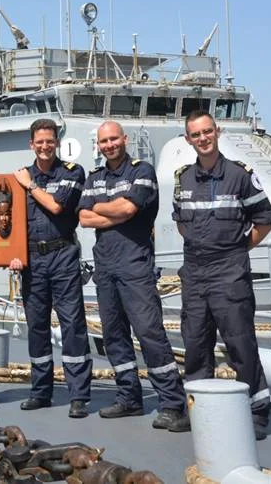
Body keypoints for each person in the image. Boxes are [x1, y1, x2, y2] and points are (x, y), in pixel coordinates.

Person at [173, 110, 271, 440]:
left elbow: (265, 220)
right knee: (195, 344)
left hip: (229, 271)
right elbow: (180, 222)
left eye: (207, 131)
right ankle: (198, 410)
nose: (203, 138)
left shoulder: (239, 175)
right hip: (195, 271)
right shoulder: (184, 179)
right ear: (188, 139)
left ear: (217, 132)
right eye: (196, 134)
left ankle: (256, 413)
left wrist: (237, 249)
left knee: (240, 343)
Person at [78, 121, 189, 431]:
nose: (109, 145)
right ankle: (129, 396)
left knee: (149, 332)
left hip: (135, 265)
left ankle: (172, 403)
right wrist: (113, 210)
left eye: (114, 139)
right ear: (99, 145)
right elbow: (84, 218)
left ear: (124, 139)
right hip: (105, 266)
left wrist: (102, 207)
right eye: (104, 141)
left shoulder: (142, 171)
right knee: (114, 335)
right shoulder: (95, 177)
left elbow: (128, 210)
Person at [0, 118, 92, 418]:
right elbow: (9, 221)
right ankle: (41, 392)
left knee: (72, 325)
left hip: (62, 255)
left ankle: (78, 396)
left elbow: (56, 206)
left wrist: (30, 185)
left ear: (57, 142)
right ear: (31, 144)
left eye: (49, 141)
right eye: (39, 141)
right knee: (37, 326)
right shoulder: (19, 179)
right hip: (32, 261)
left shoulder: (71, 172)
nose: (44, 146)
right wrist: (12, 255)